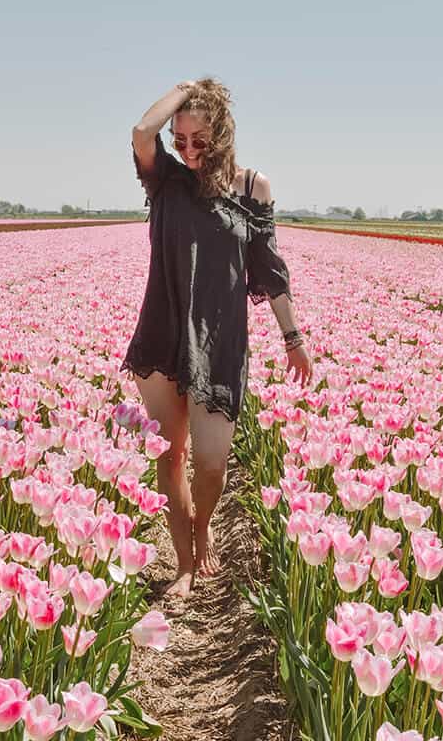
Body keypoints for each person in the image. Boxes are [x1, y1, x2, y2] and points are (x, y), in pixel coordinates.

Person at [122, 78, 312, 599]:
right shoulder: (166, 181)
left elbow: (268, 270)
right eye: (180, 139)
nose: (186, 151)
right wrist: (182, 93)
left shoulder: (253, 188)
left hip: (220, 339)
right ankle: (184, 562)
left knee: (212, 462)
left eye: (198, 141)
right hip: (163, 330)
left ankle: (203, 524)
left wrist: (292, 336)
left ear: (223, 135)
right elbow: (142, 131)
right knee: (171, 456)